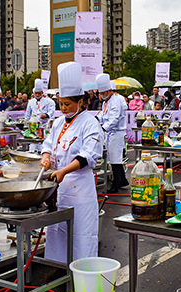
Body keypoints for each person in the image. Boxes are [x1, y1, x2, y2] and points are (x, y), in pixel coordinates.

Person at [40, 62, 104, 263]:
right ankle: (59, 269)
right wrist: (46, 157)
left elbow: (88, 156)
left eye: (68, 104)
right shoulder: (58, 122)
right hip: (59, 187)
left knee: (81, 234)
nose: (64, 108)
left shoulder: (90, 123)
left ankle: (82, 271)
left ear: (81, 102)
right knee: (57, 233)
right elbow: (48, 143)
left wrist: (64, 170)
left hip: (80, 188)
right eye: (61, 104)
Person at [96, 73, 129, 193]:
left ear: (109, 91)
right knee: (113, 158)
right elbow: (103, 115)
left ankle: (116, 183)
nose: (102, 95)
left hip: (117, 132)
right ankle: (122, 180)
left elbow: (114, 119)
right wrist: (95, 119)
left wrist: (104, 128)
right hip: (110, 133)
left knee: (115, 159)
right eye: (100, 93)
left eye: (104, 93)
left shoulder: (116, 101)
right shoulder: (106, 102)